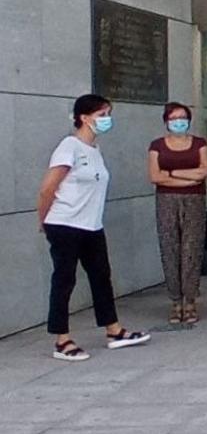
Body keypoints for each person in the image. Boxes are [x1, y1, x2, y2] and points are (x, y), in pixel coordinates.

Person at [36, 95, 151, 361]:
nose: (106, 119)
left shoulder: (95, 150)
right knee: (65, 279)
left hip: (91, 225)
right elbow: (47, 188)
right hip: (65, 223)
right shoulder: (69, 146)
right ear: (85, 118)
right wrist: (43, 220)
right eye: (102, 114)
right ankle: (61, 339)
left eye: (108, 113)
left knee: (101, 276)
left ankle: (113, 330)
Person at [148, 102, 207, 325]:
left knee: (191, 249)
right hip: (166, 200)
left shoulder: (199, 143)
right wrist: (187, 177)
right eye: (174, 118)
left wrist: (172, 173)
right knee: (169, 247)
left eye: (183, 117)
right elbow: (155, 176)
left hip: (194, 199)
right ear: (166, 121)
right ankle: (175, 301)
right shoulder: (157, 145)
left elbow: (204, 171)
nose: (179, 122)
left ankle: (191, 300)